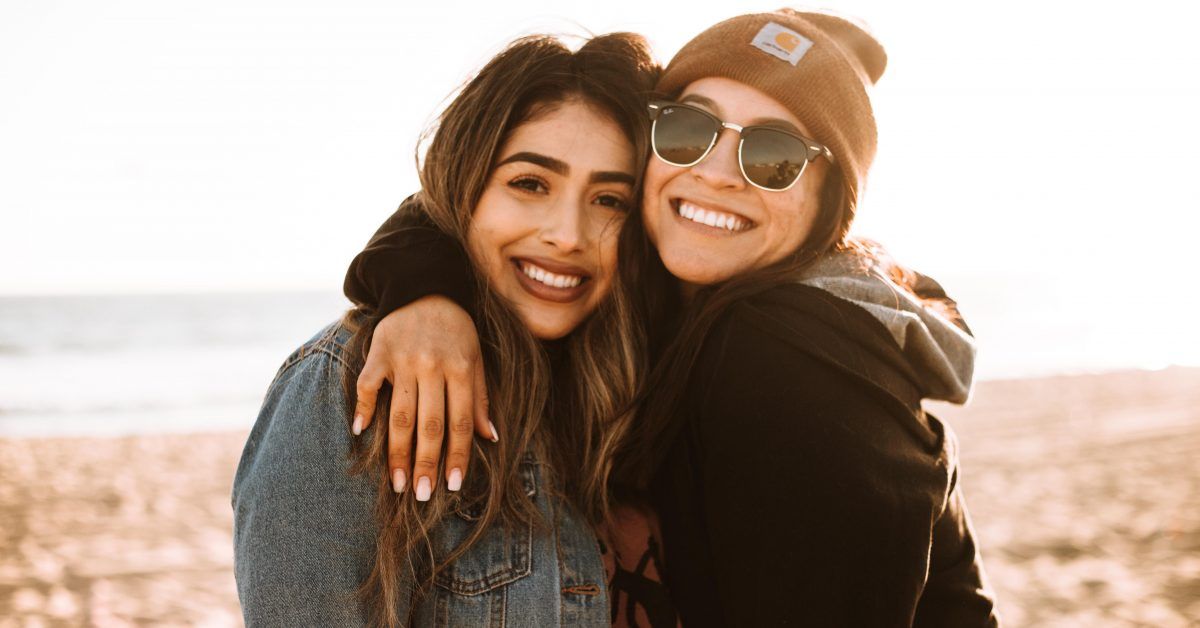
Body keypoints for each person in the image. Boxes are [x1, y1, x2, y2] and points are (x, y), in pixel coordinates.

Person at [341, 9, 1001, 627]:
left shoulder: (786, 356)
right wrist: (427, 293)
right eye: (690, 130)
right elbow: (466, 195)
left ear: (831, 202)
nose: (716, 173)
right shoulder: (664, 292)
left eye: (774, 155)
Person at [231, 32, 677, 627]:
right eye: (530, 184)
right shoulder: (349, 389)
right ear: (464, 189)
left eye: (609, 200)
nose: (568, 235)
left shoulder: (642, 380)